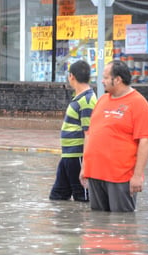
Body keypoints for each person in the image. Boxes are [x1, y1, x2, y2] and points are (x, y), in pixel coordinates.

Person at [80, 60, 148, 212]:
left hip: (120, 177)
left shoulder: (139, 104)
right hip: (95, 173)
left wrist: (137, 176)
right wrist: (85, 167)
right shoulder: (102, 100)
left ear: (118, 79)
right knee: (97, 224)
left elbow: (145, 141)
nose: (102, 81)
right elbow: (90, 133)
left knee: (121, 225)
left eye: (106, 77)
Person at [49, 60, 97, 202]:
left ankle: (83, 223)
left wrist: (86, 164)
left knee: (82, 197)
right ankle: (65, 223)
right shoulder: (81, 98)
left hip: (78, 156)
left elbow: (88, 133)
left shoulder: (87, 101)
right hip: (69, 156)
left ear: (71, 76)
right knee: (57, 196)